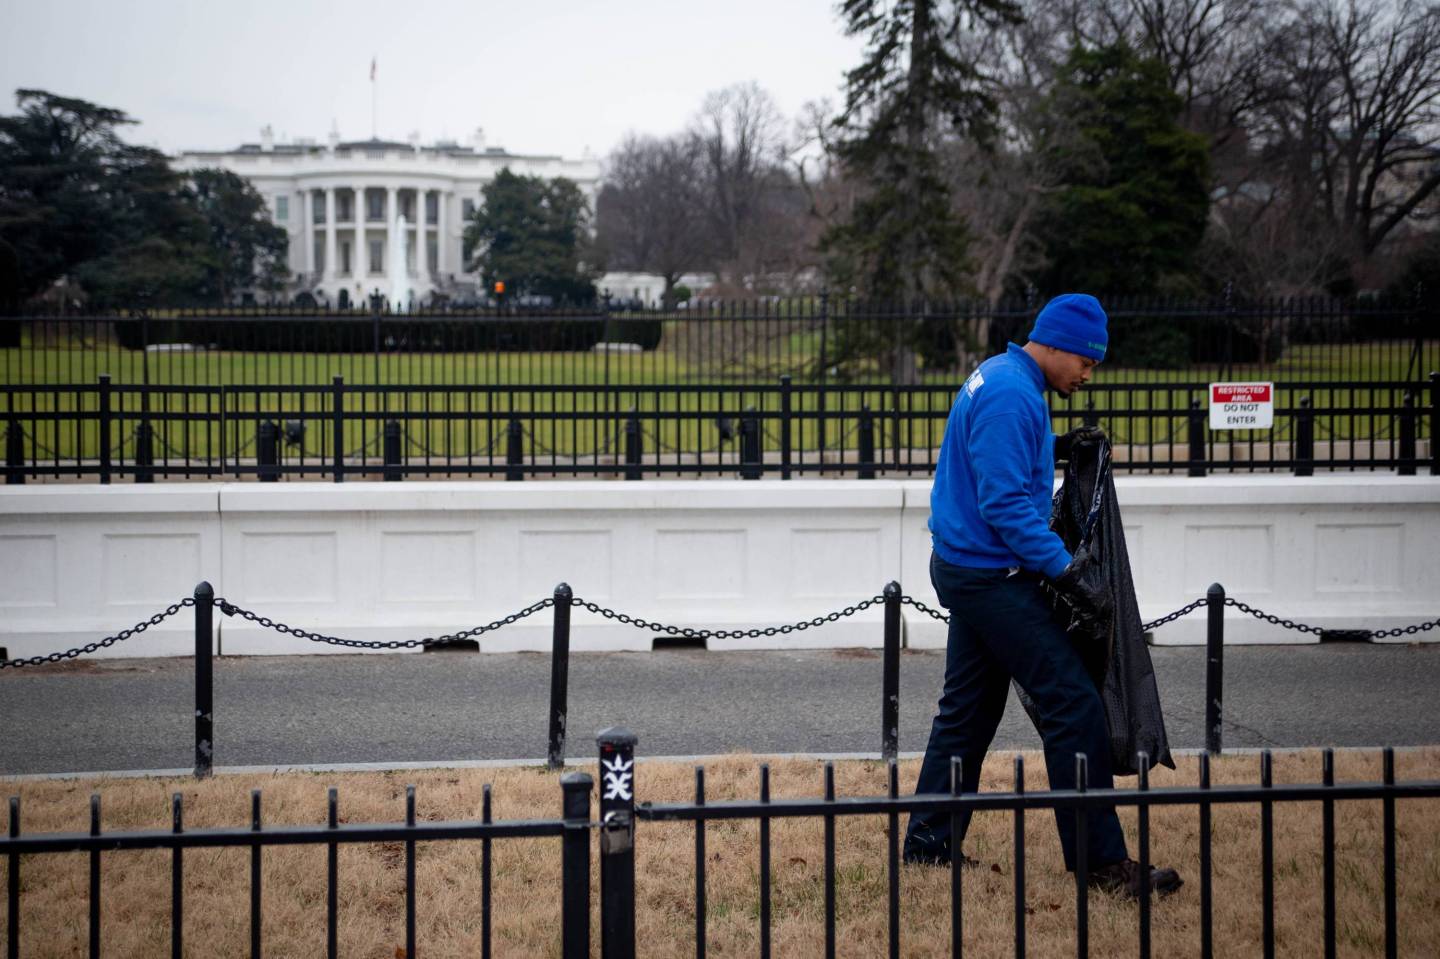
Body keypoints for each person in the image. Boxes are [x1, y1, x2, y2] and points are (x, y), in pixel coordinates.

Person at [903, 293, 1182, 899]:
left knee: (968, 711)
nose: (1088, 373)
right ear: (1054, 343)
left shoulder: (1005, 380)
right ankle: (1102, 866)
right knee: (1074, 704)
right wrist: (1067, 569)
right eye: (1086, 360)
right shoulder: (1010, 395)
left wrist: (1059, 452)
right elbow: (1002, 504)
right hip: (990, 576)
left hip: (969, 567)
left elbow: (998, 471)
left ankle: (927, 847)